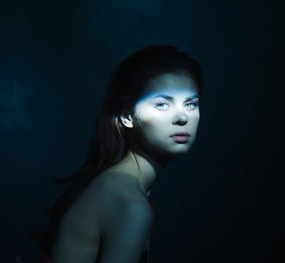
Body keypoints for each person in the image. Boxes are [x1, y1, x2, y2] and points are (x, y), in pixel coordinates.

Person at [35, 45, 204, 263]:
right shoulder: (129, 204)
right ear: (127, 117)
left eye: (191, 103)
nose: (182, 117)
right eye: (162, 104)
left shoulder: (117, 185)